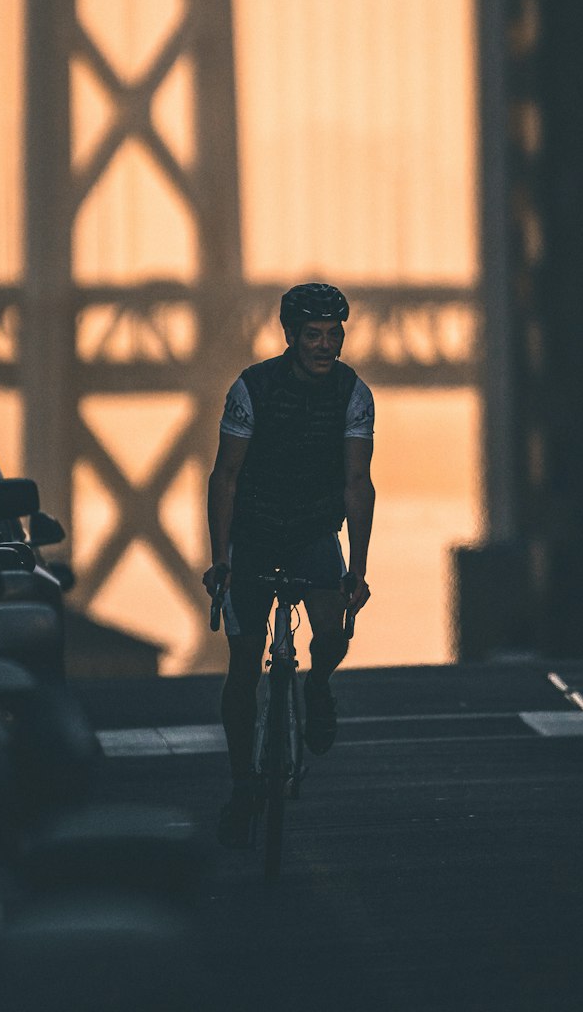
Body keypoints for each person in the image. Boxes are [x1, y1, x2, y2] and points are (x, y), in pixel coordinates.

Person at [203, 282, 375, 848]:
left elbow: (357, 482)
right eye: (314, 336)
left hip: (311, 531)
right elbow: (225, 477)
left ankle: (318, 685)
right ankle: (240, 785)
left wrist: (358, 567)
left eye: (334, 335)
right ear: (291, 338)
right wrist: (220, 559)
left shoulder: (354, 394)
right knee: (244, 667)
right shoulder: (251, 389)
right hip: (253, 533)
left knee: (331, 631)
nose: (326, 346)